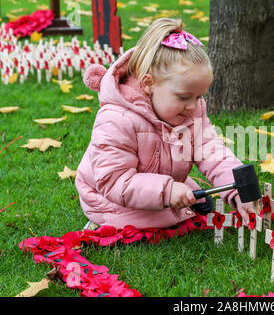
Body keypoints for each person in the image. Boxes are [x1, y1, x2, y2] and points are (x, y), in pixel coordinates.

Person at [76, 18, 252, 230]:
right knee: (146, 222)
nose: (192, 106)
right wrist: (168, 191)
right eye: (184, 96)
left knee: (178, 206)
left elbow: (212, 152)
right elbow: (114, 181)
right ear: (149, 84)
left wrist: (235, 189)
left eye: (199, 96)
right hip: (112, 198)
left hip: (161, 183)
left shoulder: (191, 111)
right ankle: (168, 197)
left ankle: (178, 194)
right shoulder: (116, 119)